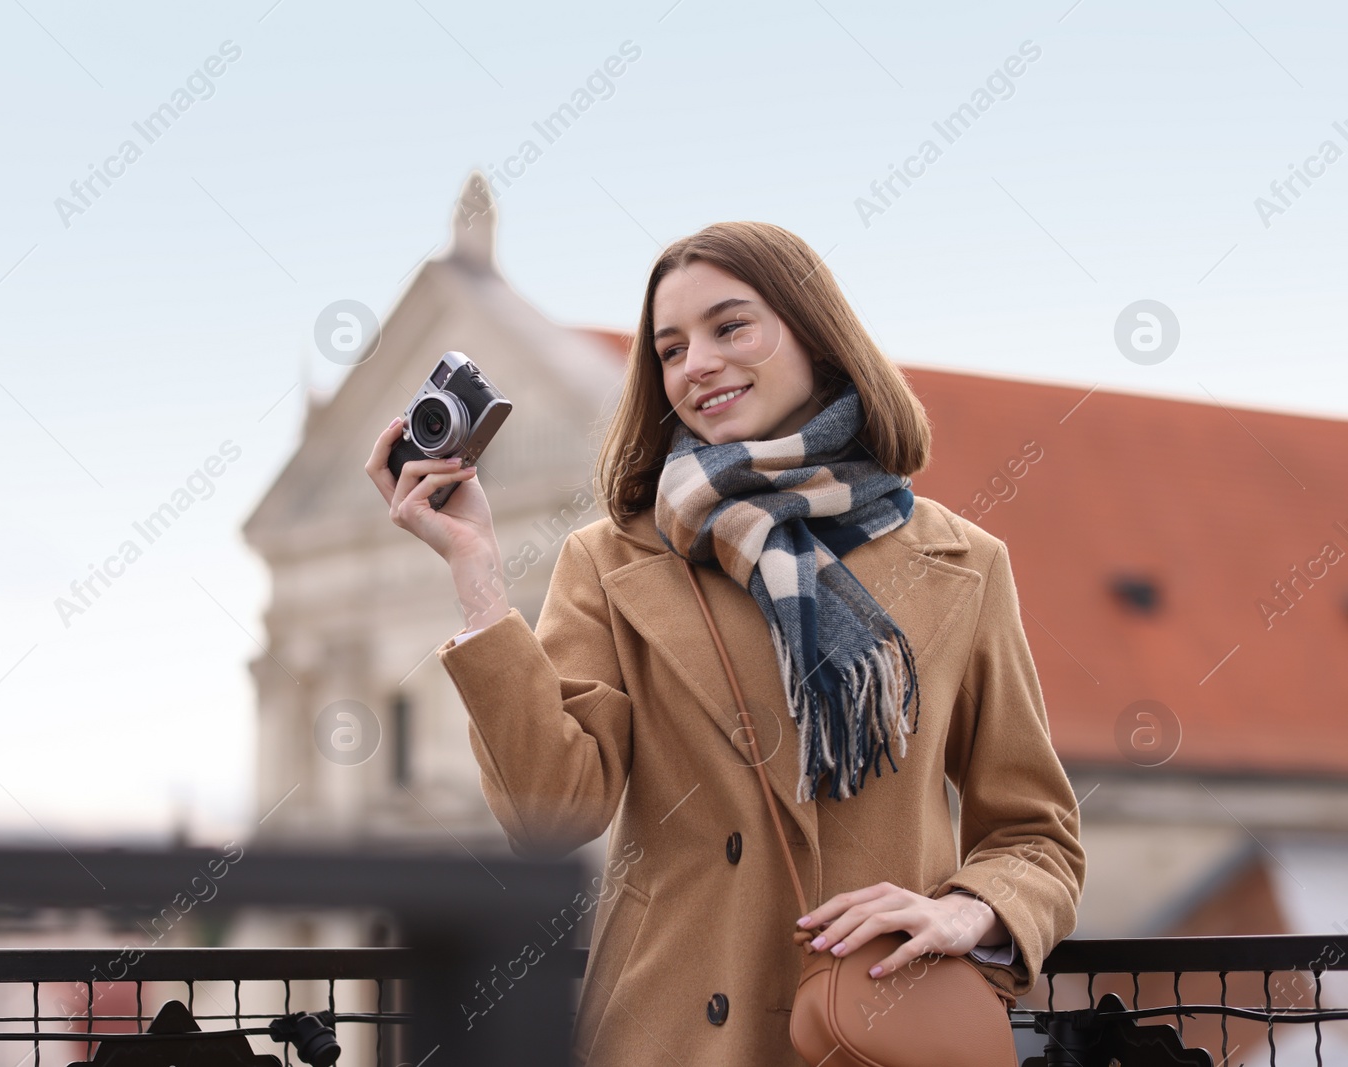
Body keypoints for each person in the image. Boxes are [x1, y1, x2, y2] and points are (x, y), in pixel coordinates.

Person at [366, 221, 1085, 1065]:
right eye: (670, 349)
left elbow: (1037, 833)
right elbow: (551, 811)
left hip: (873, 1032)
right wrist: (478, 576)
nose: (695, 362)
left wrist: (969, 908)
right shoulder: (611, 560)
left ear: (816, 336)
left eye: (729, 326)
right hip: (671, 1041)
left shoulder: (961, 564)